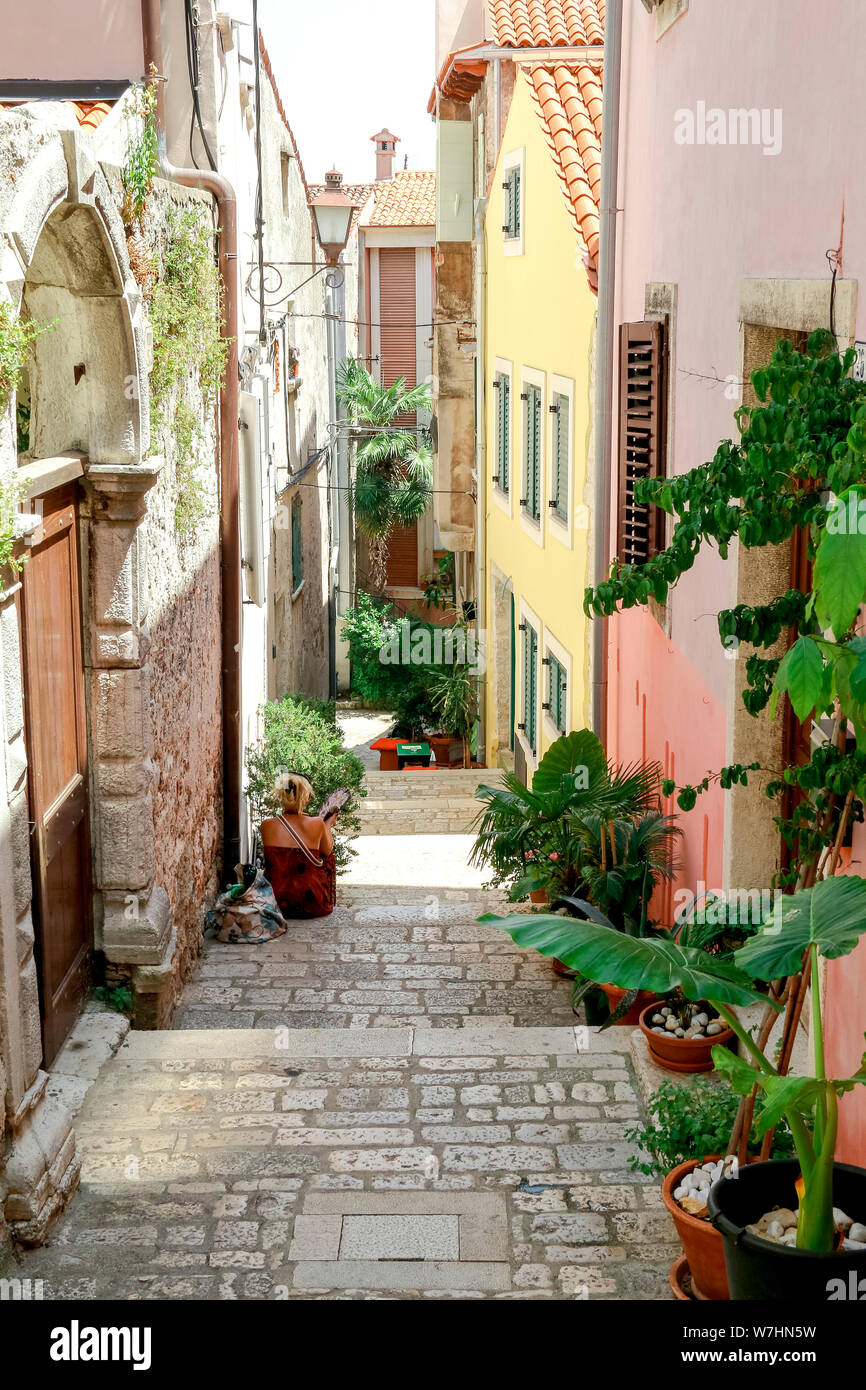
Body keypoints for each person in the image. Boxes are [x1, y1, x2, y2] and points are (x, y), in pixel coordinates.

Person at [259, 771, 338, 919]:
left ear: (281, 795)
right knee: (327, 857)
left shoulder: (266, 825)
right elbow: (327, 852)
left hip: (274, 902)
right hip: (311, 903)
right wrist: (328, 825)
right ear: (306, 798)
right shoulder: (317, 823)